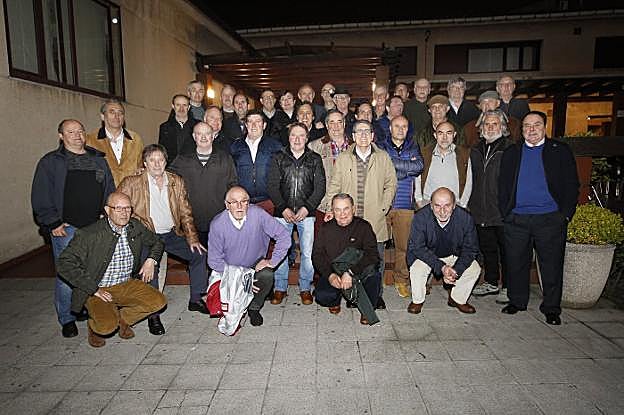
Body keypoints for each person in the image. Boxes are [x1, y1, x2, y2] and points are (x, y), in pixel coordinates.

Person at [32, 119, 115, 338]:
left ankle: (81, 308)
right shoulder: (51, 162)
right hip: (66, 228)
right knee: (67, 275)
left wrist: (106, 213)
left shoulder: (98, 159)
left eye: (80, 131)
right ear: (61, 136)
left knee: (91, 271)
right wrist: (53, 222)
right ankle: (67, 318)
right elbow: (41, 195)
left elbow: (109, 189)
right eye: (71, 132)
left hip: (94, 226)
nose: (77, 135)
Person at [499, 111, 579, 325]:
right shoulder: (512, 152)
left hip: (550, 219)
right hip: (517, 219)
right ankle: (517, 301)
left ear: (545, 127)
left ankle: (551, 308)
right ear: (521, 129)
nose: (531, 129)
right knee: (516, 263)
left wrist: (565, 215)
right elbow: (503, 185)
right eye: (527, 125)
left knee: (551, 266)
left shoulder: (559, 151)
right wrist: (506, 213)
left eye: (536, 125)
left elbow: (572, 184)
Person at [118, 144, 207, 335]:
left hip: (171, 234)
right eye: (152, 160)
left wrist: (192, 238)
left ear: (166, 162)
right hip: (147, 236)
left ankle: (196, 299)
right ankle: (153, 315)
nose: (157, 164)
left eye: (161, 160)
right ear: (144, 163)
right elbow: (118, 209)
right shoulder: (131, 183)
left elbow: (185, 212)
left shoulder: (176, 181)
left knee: (199, 254)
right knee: (150, 270)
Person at [56, 192, 167, 347]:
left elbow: (157, 242)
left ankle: (122, 320)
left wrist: (151, 260)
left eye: (128, 208)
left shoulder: (134, 226)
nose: (124, 213)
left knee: (158, 301)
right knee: (106, 327)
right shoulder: (90, 234)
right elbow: (64, 263)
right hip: (98, 288)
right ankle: (95, 325)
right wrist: (93, 289)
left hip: (125, 283)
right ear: (108, 210)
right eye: (118, 208)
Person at [325, 119, 397, 309]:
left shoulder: (383, 157)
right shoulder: (344, 158)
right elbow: (334, 185)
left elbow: (391, 183)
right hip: (351, 220)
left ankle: (376, 295)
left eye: (367, 131)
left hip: (375, 217)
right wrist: (330, 209)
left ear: (372, 135)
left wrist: (384, 207)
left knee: (376, 259)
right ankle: (354, 295)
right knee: (352, 259)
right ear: (353, 136)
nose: (363, 135)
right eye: (359, 132)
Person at [208, 186, 291, 326]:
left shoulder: (258, 214)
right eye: (234, 202)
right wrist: (240, 278)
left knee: (267, 274)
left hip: (254, 264)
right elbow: (214, 260)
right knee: (231, 311)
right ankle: (238, 304)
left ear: (248, 203)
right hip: (230, 269)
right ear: (227, 205)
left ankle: (254, 307)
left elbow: (284, 236)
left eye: (244, 201)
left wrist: (272, 261)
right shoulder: (218, 225)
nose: (239, 206)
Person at [267, 122, 326, 305]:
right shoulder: (278, 157)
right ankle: (280, 288)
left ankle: (305, 288)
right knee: (282, 252)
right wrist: (282, 207)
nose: (297, 139)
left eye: (301, 135)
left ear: (307, 138)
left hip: (306, 214)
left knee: (307, 253)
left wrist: (307, 207)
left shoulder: (315, 158)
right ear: (289, 137)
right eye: (294, 135)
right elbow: (272, 185)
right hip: (281, 214)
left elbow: (320, 187)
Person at [406, 187, 480, 314]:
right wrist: (442, 267)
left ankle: (457, 298)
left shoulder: (465, 218)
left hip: (454, 254)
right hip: (428, 254)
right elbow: (418, 248)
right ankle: (417, 300)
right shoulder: (420, 217)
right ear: (431, 205)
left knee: (474, 268)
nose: (442, 211)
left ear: (454, 205)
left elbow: (471, 249)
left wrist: (456, 270)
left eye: (447, 206)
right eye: (437, 206)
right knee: (417, 268)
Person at [312, 193, 380, 324]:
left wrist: (350, 273)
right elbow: (317, 255)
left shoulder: (364, 226)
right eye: (337, 209)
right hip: (335, 270)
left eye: (346, 209)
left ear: (353, 209)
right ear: (332, 211)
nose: (342, 214)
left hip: (357, 270)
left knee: (374, 275)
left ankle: (367, 308)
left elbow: (372, 255)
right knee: (323, 296)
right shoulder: (326, 228)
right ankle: (334, 301)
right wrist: (330, 275)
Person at [168, 122, 238, 247]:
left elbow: (233, 185)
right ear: (194, 136)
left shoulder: (225, 159)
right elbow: (165, 176)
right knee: (197, 256)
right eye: (199, 134)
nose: (204, 137)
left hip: (219, 220)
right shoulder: (183, 159)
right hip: (192, 222)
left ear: (213, 136)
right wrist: (144, 172)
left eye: (207, 134)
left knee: (219, 254)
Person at [469, 110, 513, 303]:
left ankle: (509, 287)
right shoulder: (475, 149)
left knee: (507, 251)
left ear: (502, 127)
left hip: (502, 210)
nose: (490, 127)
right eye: (486, 124)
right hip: (480, 209)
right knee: (488, 249)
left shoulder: (510, 149)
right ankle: (491, 282)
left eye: (495, 124)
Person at [377, 115, 424, 298]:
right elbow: (381, 168)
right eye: (397, 126)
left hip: (405, 204)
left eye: (404, 126)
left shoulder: (413, 146)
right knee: (378, 246)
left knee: (403, 247)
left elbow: (419, 166)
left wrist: (393, 167)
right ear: (390, 128)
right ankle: (377, 279)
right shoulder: (380, 146)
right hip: (382, 204)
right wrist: (406, 169)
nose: (400, 129)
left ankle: (401, 280)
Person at [230, 109, 283, 214]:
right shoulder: (235, 146)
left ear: (264, 125)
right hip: (243, 202)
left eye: (258, 121)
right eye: (250, 121)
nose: (254, 125)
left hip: (269, 201)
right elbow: (231, 174)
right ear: (246, 125)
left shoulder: (275, 146)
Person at [86, 99, 144, 186]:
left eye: (120, 113)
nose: (117, 116)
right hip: (103, 192)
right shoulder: (91, 140)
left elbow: (142, 166)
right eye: (112, 112)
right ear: (102, 116)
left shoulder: (135, 139)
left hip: (131, 191)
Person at [414, 121, 472, 209]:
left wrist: (463, 205)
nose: (444, 137)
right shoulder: (424, 154)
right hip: (428, 206)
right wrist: (419, 201)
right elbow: (417, 179)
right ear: (435, 135)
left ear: (454, 135)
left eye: (449, 133)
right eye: (440, 133)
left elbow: (469, 181)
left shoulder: (464, 155)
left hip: (454, 207)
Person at [308, 109, 352, 219]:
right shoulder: (314, 147)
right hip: (323, 205)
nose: (336, 126)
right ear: (327, 125)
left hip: (350, 205)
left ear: (344, 124)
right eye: (332, 122)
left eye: (339, 122)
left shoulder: (355, 146)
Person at [158, 94, 199, 162]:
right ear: (173, 106)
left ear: (189, 107)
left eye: (184, 105)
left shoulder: (198, 125)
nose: (181, 108)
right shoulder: (165, 127)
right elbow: (162, 151)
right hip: (172, 166)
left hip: (193, 165)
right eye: (178, 105)